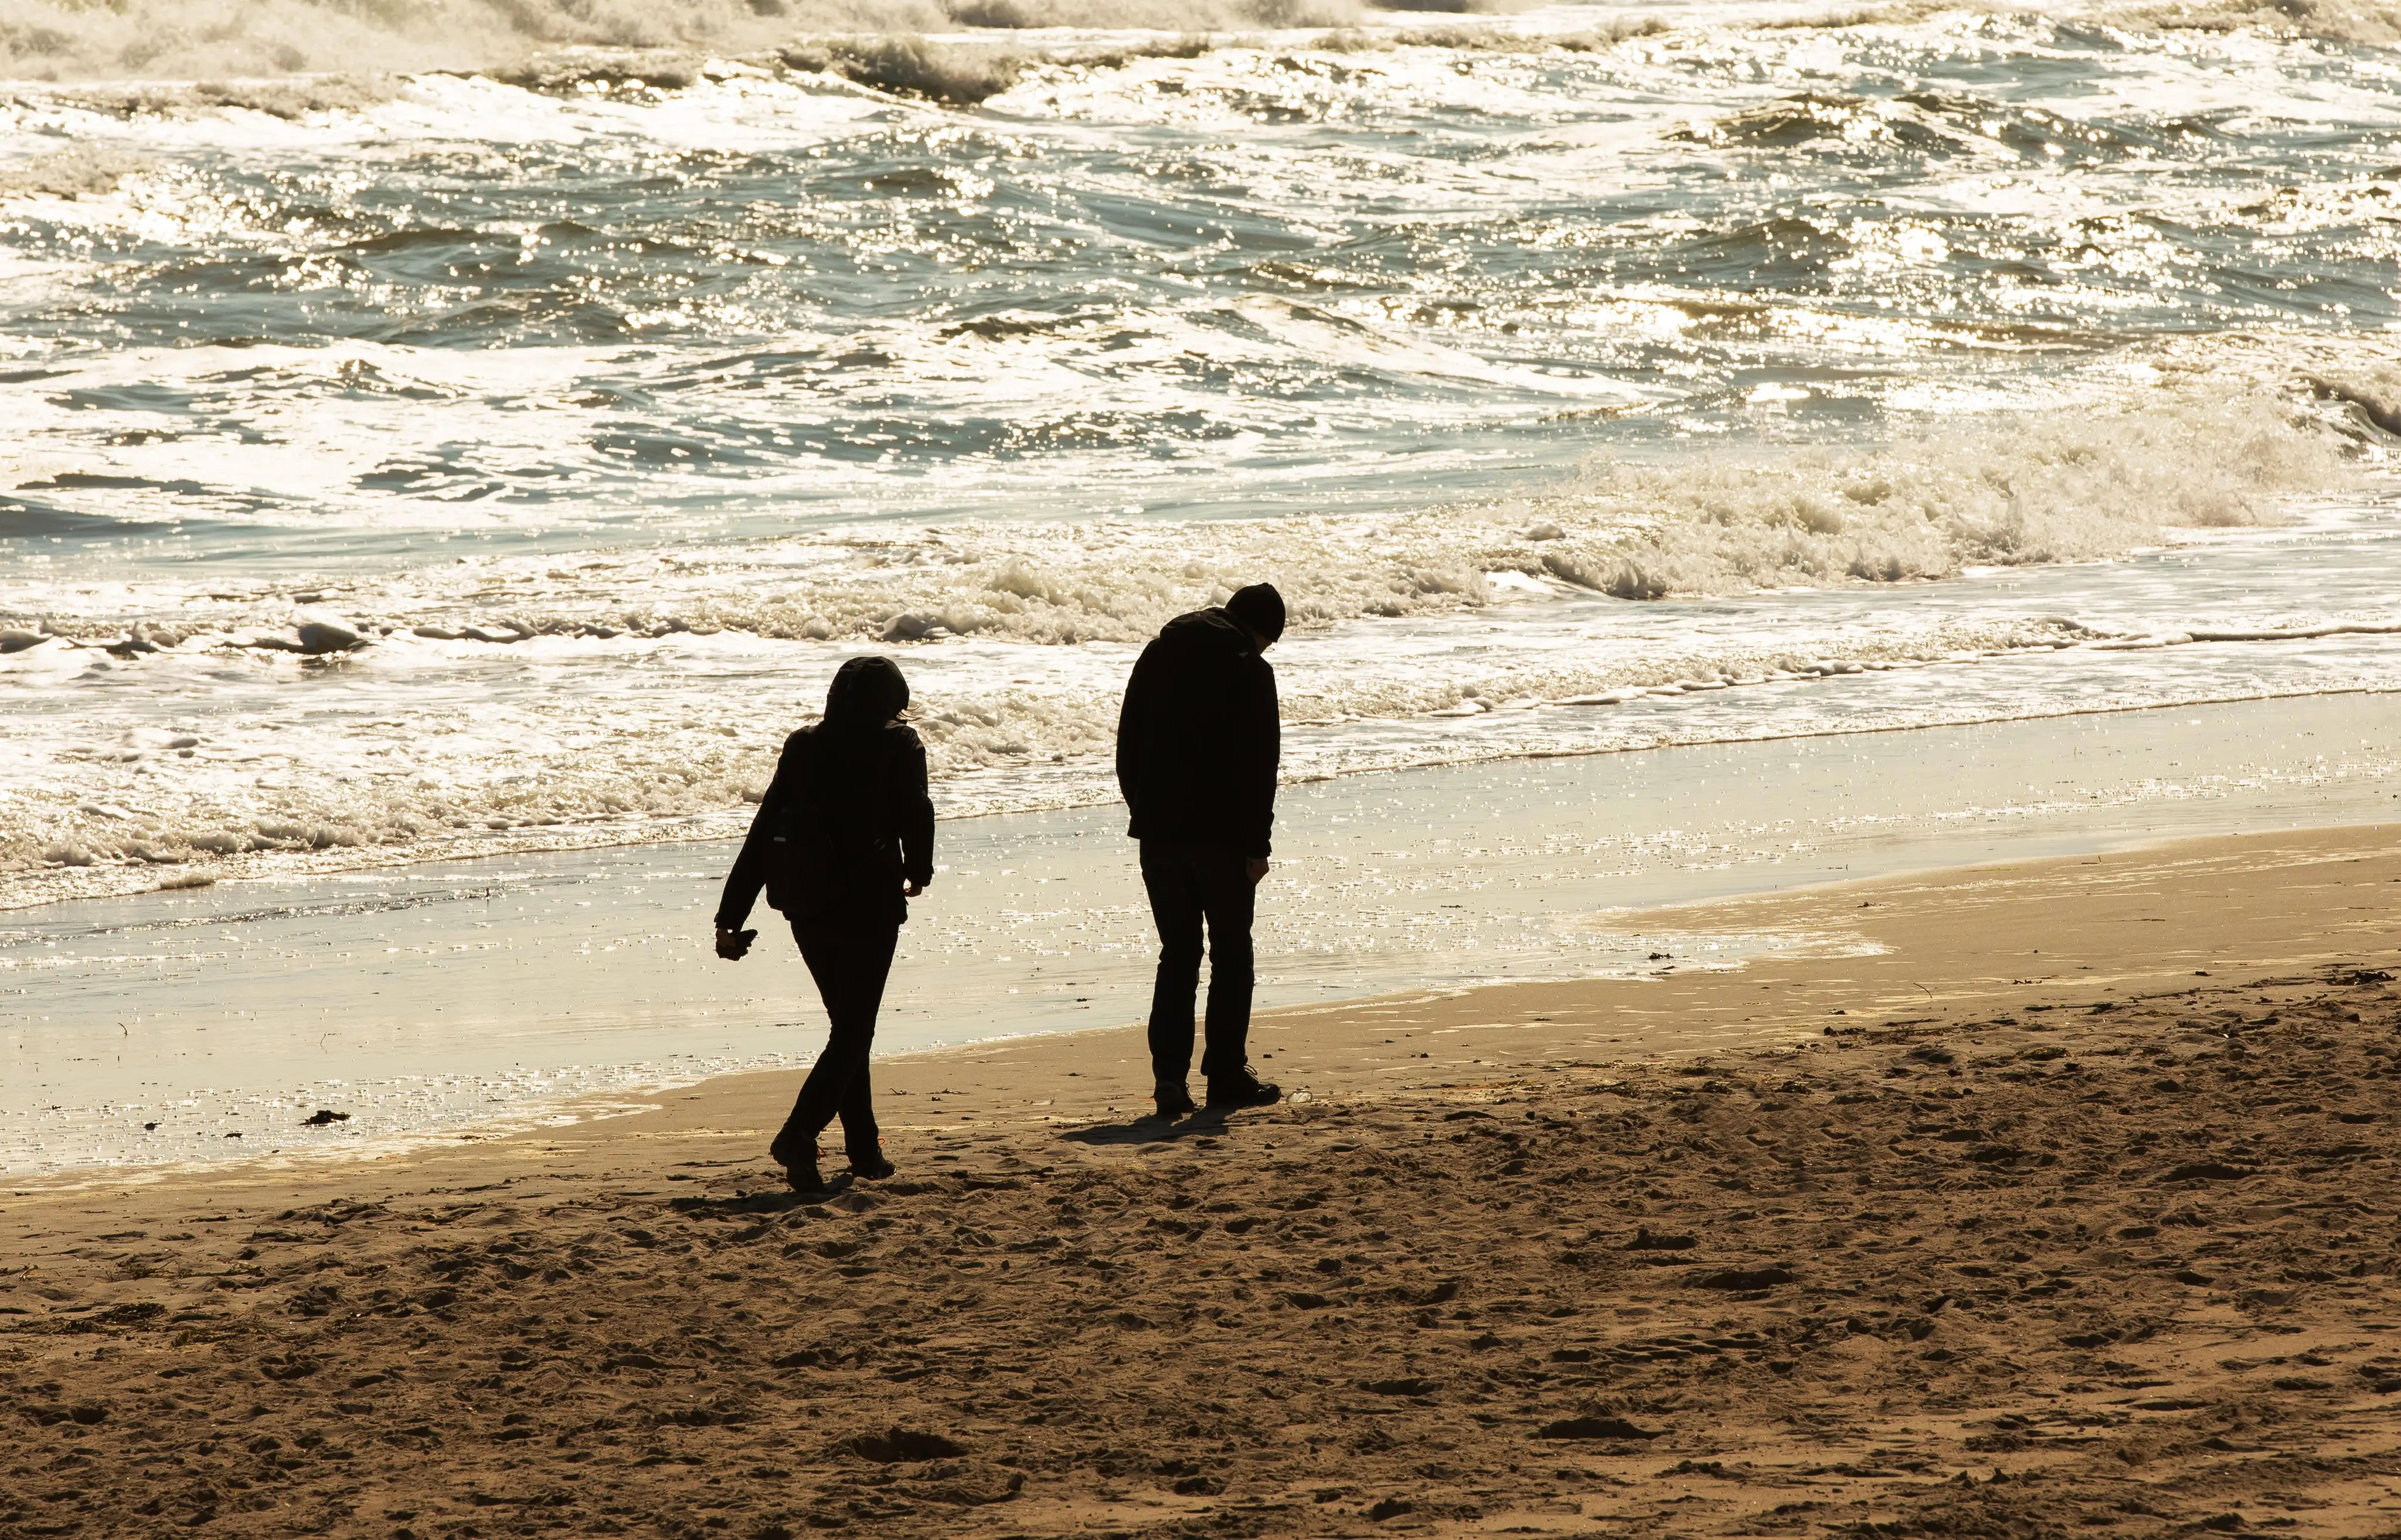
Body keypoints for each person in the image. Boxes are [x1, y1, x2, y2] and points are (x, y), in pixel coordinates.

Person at [714, 655, 933, 1193]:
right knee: (854, 1030)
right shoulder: (899, 744)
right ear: (892, 698)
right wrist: (920, 869)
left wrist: (731, 915)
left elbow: (764, 829)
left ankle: (863, 1149)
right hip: (870, 903)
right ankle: (799, 1134)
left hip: (807, 905)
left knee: (848, 1028)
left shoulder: (804, 745)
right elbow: (917, 812)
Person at [1116, 582, 1288, 1120]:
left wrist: (1142, 810)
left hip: (1159, 832)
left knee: (1178, 955)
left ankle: (1169, 1078)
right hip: (1222, 837)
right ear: (1261, 633)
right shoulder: (1250, 670)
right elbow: (1260, 767)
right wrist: (1256, 845)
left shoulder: (1160, 651)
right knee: (1232, 954)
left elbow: (1128, 741)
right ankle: (1226, 1074)